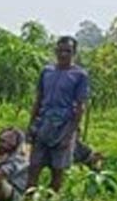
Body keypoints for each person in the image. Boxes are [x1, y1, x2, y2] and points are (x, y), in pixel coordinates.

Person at [27, 36, 89, 192]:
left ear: (74, 53)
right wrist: (31, 125)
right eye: (60, 50)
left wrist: (69, 135)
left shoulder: (80, 75)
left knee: (58, 170)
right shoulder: (47, 71)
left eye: (67, 51)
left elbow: (80, 107)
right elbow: (39, 99)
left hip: (64, 126)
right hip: (43, 123)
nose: (63, 54)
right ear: (55, 51)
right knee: (34, 166)